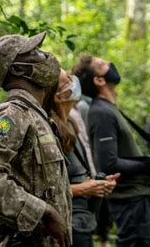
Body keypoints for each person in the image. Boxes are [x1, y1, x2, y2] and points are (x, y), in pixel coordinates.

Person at [0, 32, 71, 246]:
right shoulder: (12, 115)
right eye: (35, 52)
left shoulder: (36, 116)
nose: (47, 56)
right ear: (19, 69)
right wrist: (40, 212)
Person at [73, 55, 150, 247]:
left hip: (135, 196)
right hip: (128, 199)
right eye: (102, 65)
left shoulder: (109, 109)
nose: (110, 63)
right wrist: (149, 167)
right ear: (99, 80)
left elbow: (122, 157)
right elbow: (108, 164)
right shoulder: (101, 112)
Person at [49, 69, 120, 246]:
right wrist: (84, 189)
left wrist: (97, 184)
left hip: (83, 220)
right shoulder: (49, 131)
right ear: (58, 96)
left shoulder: (71, 125)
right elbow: (43, 191)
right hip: (66, 223)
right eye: (67, 81)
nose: (74, 81)